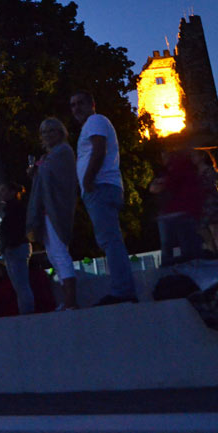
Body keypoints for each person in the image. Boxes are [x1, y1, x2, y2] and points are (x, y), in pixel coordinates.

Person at [70, 91, 138, 305]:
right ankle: (122, 289)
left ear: (92, 103)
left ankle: (123, 291)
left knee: (110, 240)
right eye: (72, 105)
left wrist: (88, 180)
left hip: (100, 187)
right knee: (109, 239)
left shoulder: (96, 120)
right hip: (100, 188)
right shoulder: (91, 124)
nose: (76, 108)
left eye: (81, 102)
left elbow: (99, 149)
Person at [26, 118, 79, 310]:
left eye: (51, 131)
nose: (47, 135)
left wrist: (38, 169)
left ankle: (71, 300)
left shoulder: (63, 152)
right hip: (47, 210)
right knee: (53, 254)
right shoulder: (51, 155)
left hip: (56, 209)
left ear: (60, 132)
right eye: (44, 132)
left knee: (59, 252)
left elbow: (56, 176)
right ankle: (67, 299)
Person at [150, 149, 204, 267]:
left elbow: (159, 187)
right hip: (169, 213)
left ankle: (184, 267)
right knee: (170, 244)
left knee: (183, 243)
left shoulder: (179, 169)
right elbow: (153, 188)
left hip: (179, 213)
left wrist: (162, 183)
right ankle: (176, 268)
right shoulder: (167, 172)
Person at [0, 182, 35, 315]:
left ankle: (27, 311)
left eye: (4, 190)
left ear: (12, 192)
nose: (1, 194)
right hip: (16, 247)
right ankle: (26, 310)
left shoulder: (14, 209)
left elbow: (12, 229)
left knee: (21, 284)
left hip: (15, 247)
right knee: (20, 284)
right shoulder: (16, 208)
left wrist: (7, 245)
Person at [193, 150, 218, 252]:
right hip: (200, 206)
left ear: (202, 157)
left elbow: (211, 188)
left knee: (216, 231)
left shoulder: (209, 171)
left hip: (211, 205)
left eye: (195, 156)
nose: (193, 158)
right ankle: (213, 254)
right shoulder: (195, 173)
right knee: (206, 235)